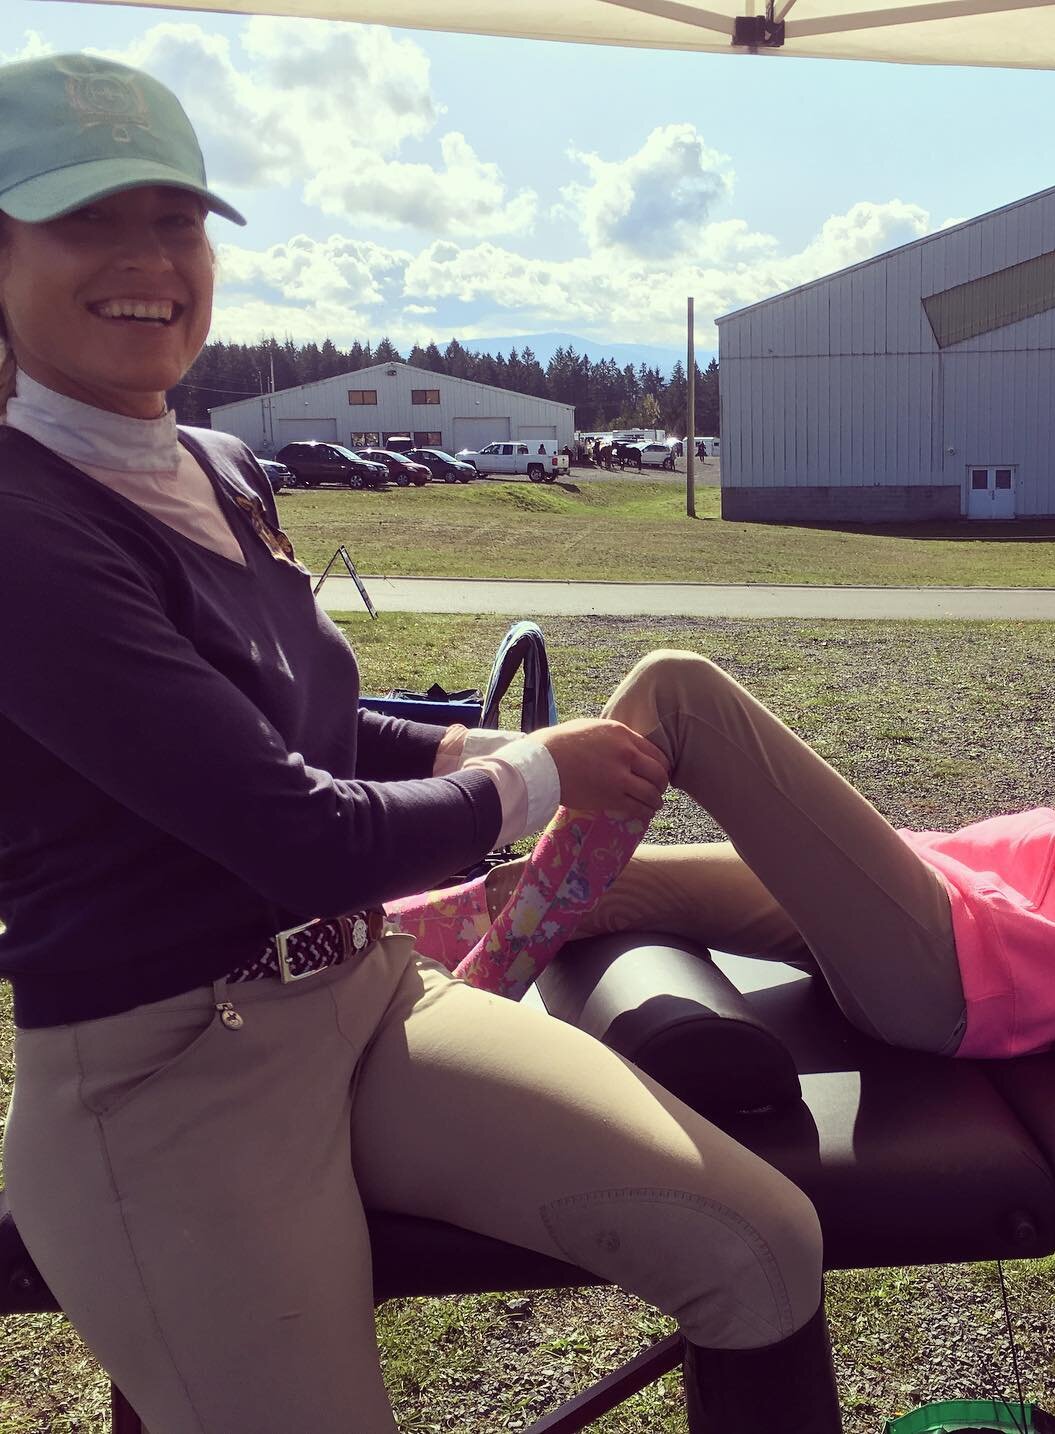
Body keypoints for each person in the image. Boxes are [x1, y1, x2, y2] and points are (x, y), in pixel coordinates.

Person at [0, 54, 842, 1434]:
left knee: (762, 1248)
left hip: (368, 994)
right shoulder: (20, 522)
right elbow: (295, 828)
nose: (151, 258)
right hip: (160, 1074)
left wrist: (465, 753)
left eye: (180, 217)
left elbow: (308, 720)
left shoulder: (215, 461)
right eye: (89, 218)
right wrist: (537, 776)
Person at [426, 492, 1055, 1084]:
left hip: (970, 978)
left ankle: (458, 1020)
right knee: (596, 887)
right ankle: (360, 965)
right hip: (953, 898)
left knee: (677, 690)